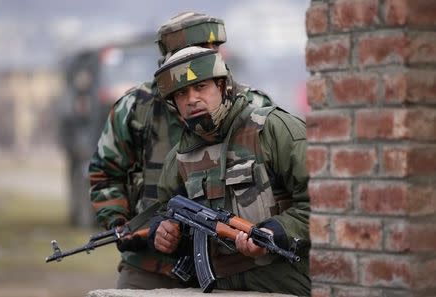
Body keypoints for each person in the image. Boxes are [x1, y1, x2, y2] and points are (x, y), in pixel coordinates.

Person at [88, 12, 274, 290]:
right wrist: (130, 230)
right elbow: (104, 174)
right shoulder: (136, 108)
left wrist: (265, 235)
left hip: (234, 263)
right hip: (151, 263)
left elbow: (284, 182)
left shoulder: (253, 107)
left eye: (210, 53)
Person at [150, 46, 311, 295]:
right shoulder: (178, 158)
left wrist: (276, 232)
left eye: (201, 87)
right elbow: (165, 210)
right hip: (215, 288)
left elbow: (324, 205)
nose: (192, 99)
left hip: (284, 282)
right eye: (181, 93)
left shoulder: (274, 130)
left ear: (223, 86)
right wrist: (163, 232)